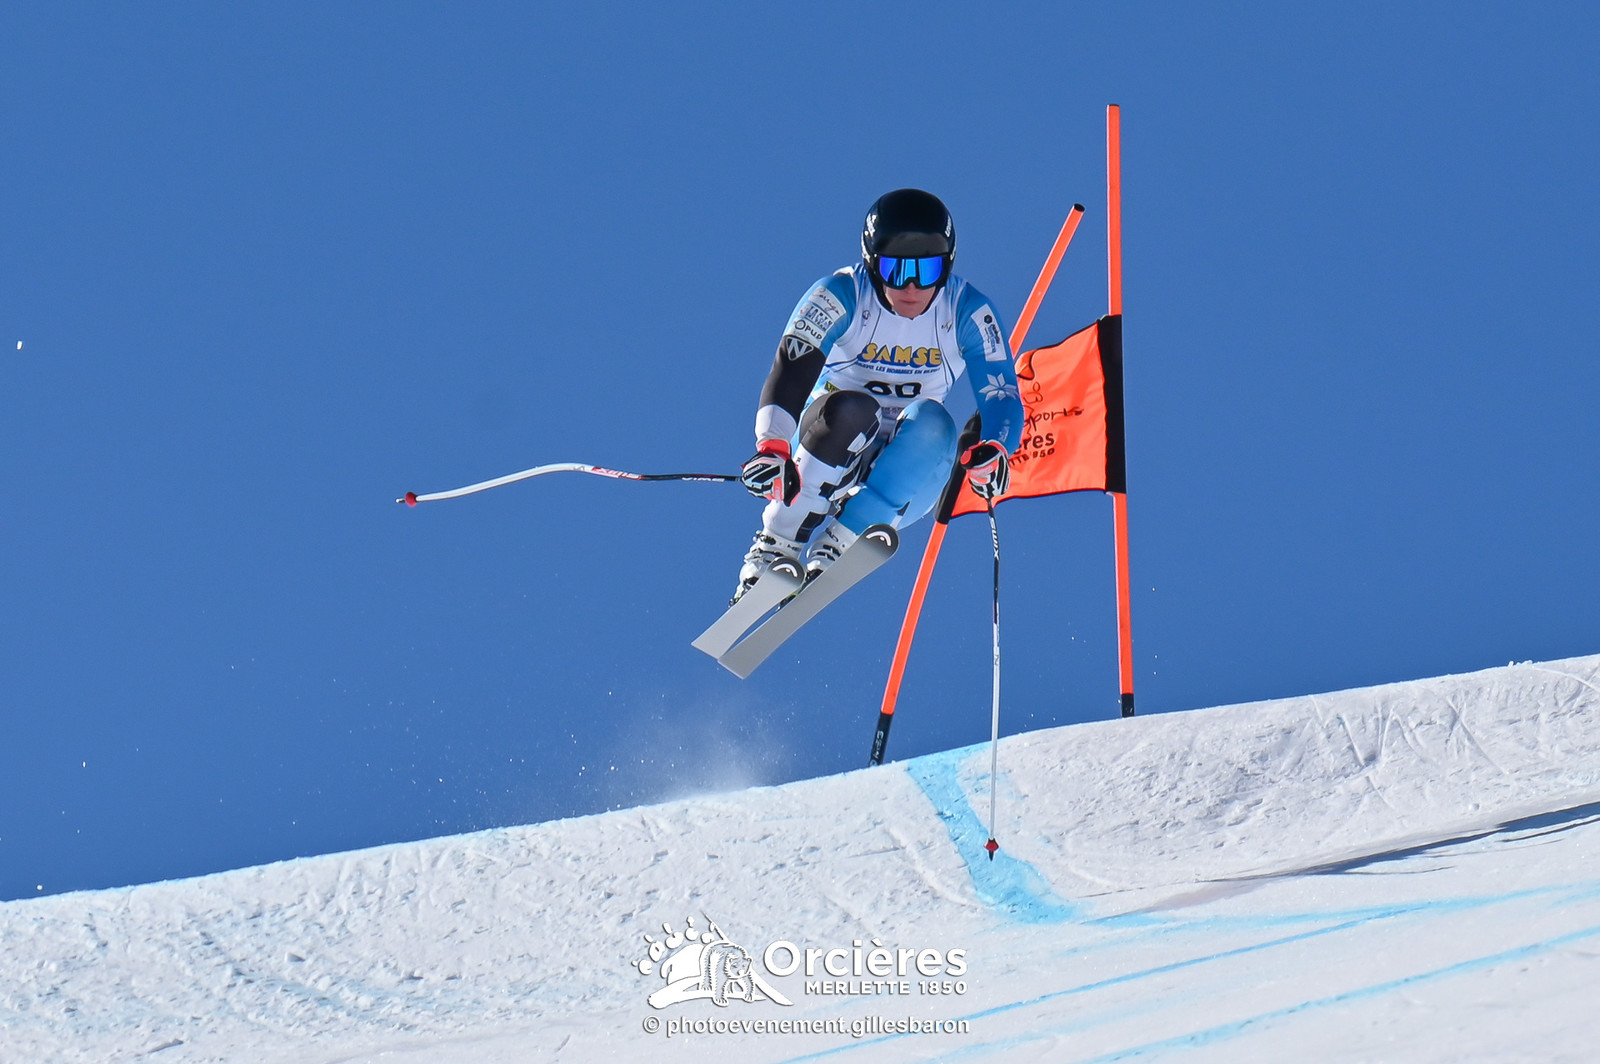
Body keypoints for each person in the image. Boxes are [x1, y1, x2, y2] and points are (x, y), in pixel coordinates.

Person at [732, 188, 1024, 602]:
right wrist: (772, 445)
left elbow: (1001, 393)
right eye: (895, 269)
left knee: (935, 422)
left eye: (927, 271)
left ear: (948, 264)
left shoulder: (967, 311)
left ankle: (846, 538)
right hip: (822, 448)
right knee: (852, 407)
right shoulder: (840, 294)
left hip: (908, 472)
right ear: (871, 262)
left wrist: (996, 447)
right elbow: (791, 370)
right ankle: (778, 541)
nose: (911, 286)